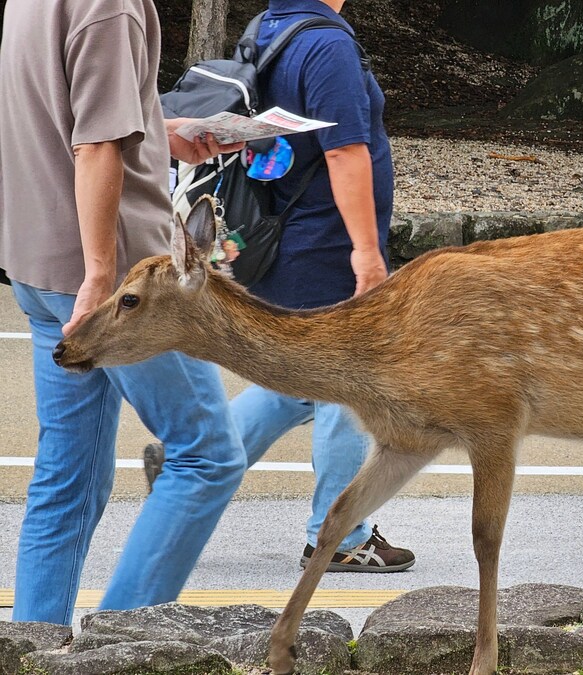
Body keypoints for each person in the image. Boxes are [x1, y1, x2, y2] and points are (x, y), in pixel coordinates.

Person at [0, 0, 249, 624]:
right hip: (112, 281)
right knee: (208, 454)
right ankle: (121, 641)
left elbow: (61, 112)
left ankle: (34, 649)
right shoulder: (110, 6)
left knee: (69, 478)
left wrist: (162, 133)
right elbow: (93, 145)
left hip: (37, 262)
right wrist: (100, 280)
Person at [143, 0, 414, 572]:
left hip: (286, 232)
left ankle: (187, 466)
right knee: (348, 383)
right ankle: (339, 535)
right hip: (327, 244)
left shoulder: (272, 26)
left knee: (297, 383)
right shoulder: (327, 45)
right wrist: (367, 255)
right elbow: (344, 152)